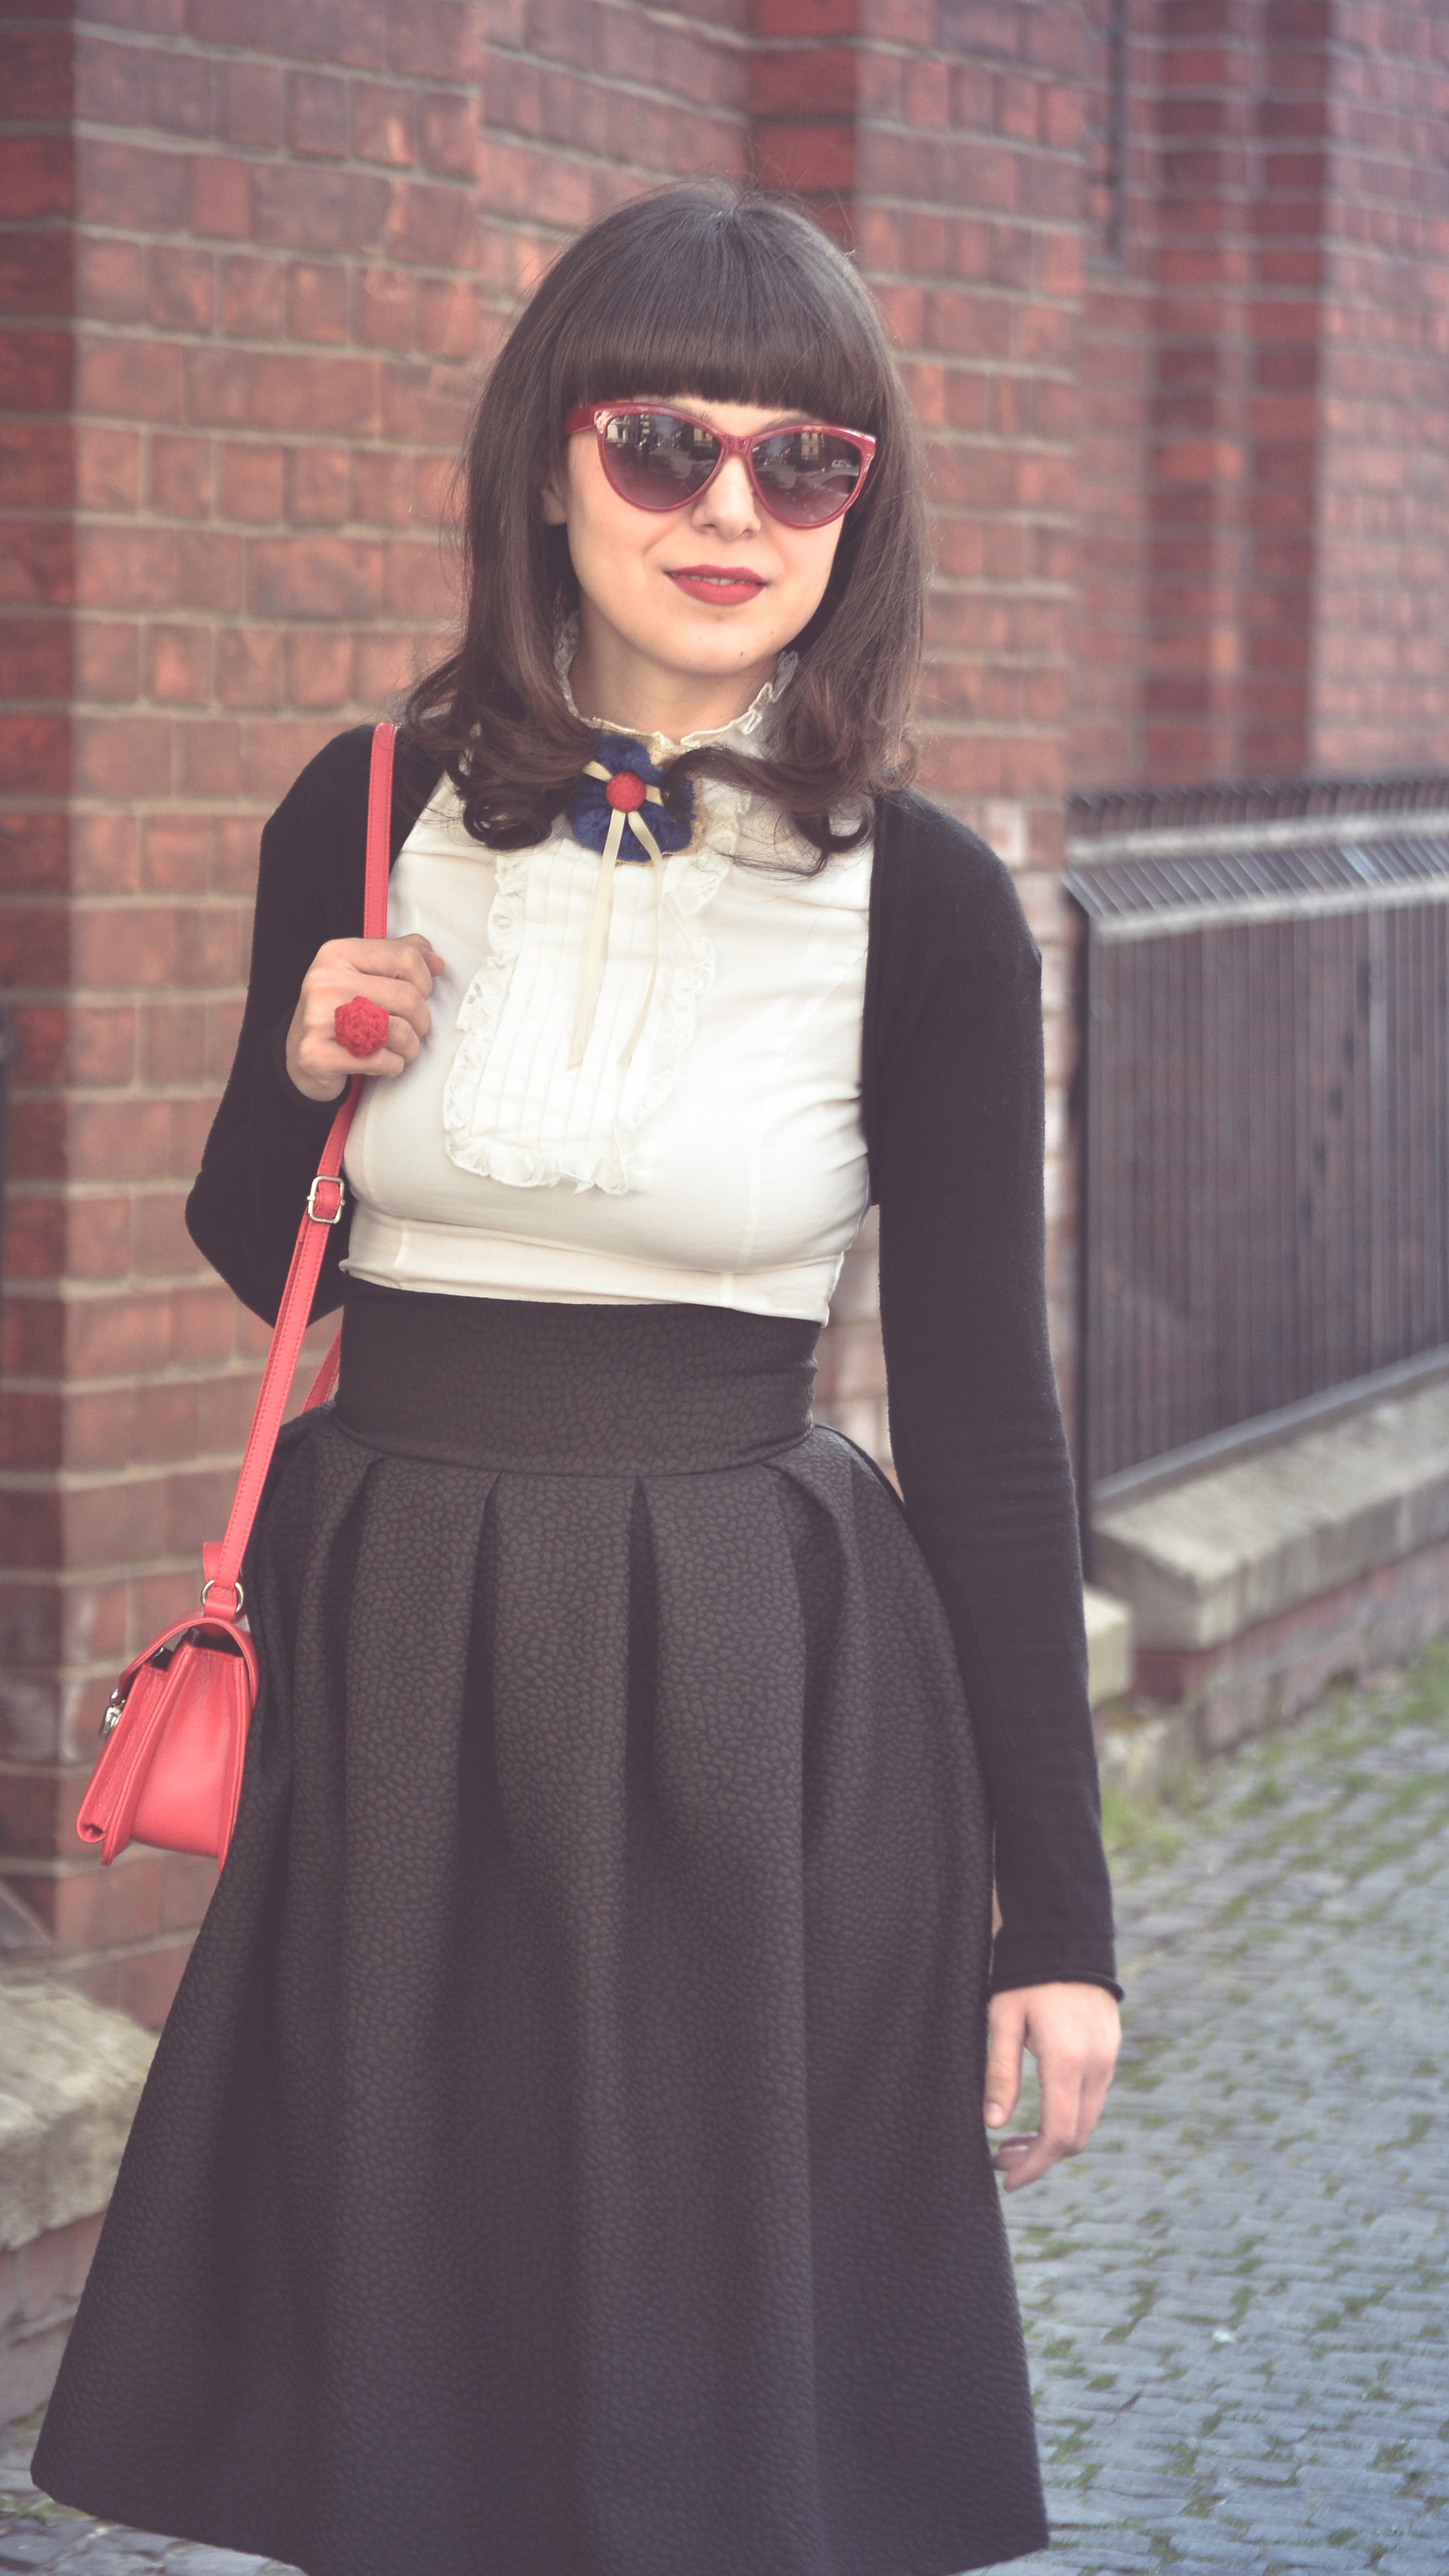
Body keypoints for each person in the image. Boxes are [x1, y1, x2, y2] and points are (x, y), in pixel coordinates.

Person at [34, 184, 1121, 2576]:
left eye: (803, 463)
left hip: (756, 1678)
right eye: (664, 444)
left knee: (709, 2368)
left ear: (864, 505)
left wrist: (1060, 1921)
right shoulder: (360, 805)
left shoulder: (918, 901)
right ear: (550, 467)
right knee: (403, 2337)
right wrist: (300, 1069)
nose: (732, 508)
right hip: (397, 1641)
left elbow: (990, 1430)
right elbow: (268, 1266)